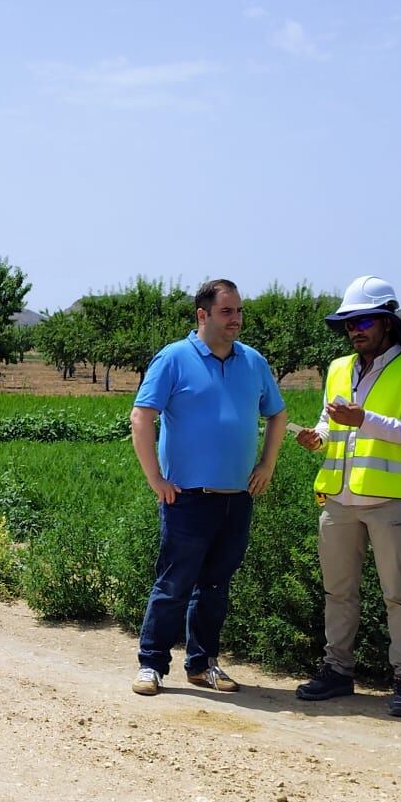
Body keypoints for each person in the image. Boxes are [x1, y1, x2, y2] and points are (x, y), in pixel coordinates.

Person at [293, 276, 401, 718]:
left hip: (390, 501)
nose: (354, 330)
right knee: (337, 592)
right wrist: (317, 439)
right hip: (339, 500)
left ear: (388, 323)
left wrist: (365, 419)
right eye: (348, 323)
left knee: (398, 594)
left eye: (363, 321)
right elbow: (329, 421)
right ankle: (338, 670)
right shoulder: (339, 368)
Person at [130, 279, 288, 696]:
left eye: (238, 311)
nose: (235, 319)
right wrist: (156, 478)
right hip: (186, 497)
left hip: (237, 498)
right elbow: (141, 417)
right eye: (226, 312)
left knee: (216, 587)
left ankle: (203, 664)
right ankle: (152, 665)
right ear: (203, 315)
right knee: (174, 583)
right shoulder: (174, 359)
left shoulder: (253, 362)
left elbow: (278, 415)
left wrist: (267, 465)